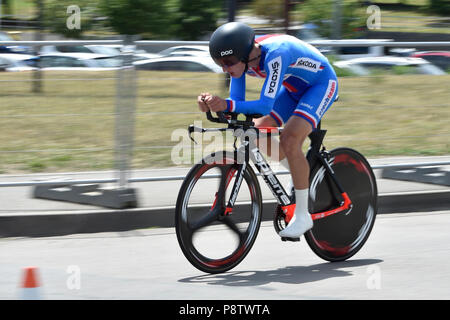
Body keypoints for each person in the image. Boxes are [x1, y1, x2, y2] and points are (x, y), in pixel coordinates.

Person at [197, 22, 338, 239]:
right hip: (292, 88)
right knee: (257, 131)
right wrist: (214, 104)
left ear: (244, 55)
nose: (225, 68)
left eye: (228, 62)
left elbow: (264, 106)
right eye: (220, 63)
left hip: (320, 84)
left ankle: (302, 215)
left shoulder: (275, 55)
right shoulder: (242, 60)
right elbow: (236, 102)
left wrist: (225, 105)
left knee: (290, 139)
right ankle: (300, 170)